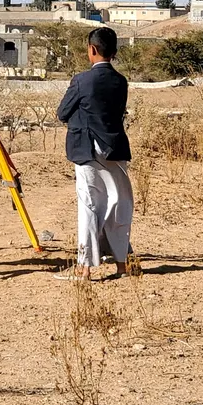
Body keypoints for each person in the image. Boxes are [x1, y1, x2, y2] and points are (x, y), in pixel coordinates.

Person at [55, 27, 134, 281]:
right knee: (117, 205)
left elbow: (63, 112)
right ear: (114, 52)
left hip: (88, 149)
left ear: (92, 49)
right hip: (116, 149)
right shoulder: (121, 81)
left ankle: (85, 268)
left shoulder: (81, 80)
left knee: (89, 206)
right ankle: (122, 264)